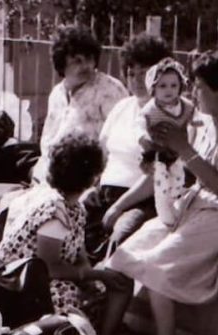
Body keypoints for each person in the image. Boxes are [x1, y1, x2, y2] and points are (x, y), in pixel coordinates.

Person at [107, 48, 218, 335]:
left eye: (200, 86)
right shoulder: (204, 124)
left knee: (157, 264)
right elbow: (179, 168)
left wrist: (184, 148)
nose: (193, 92)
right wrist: (156, 159)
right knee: (125, 254)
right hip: (192, 205)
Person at [0, 133, 133, 335]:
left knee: (112, 284)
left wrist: (91, 275)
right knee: (74, 298)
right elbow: (48, 268)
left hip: (36, 276)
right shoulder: (54, 211)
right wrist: (95, 274)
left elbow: (78, 253)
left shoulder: (74, 207)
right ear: (94, 177)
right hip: (20, 283)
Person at [82, 31, 170, 261]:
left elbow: (156, 176)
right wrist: (91, 187)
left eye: (144, 73)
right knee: (67, 221)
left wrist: (118, 207)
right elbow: (101, 155)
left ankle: (105, 282)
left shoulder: (165, 117)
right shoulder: (122, 108)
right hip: (104, 194)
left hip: (141, 201)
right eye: (131, 73)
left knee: (121, 237)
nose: (137, 80)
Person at [30, 24, 126, 185]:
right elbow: (47, 141)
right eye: (77, 61)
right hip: (51, 177)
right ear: (62, 63)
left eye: (89, 59)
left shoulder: (109, 89)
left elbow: (119, 144)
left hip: (89, 180)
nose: (85, 66)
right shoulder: (57, 94)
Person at [137, 57, 196, 228]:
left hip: (177, 152)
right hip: (157, 152)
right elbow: (139, 124)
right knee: (161, 182)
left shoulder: (185, 107)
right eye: (162, 86)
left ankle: (175, 206)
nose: (168, 90)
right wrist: (143, 137)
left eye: (173, 85)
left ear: (180, 86)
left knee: (178, 179)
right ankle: (164, 213)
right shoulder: (151, 109)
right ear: (153, 88)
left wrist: (196, 124)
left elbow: (194, 119)